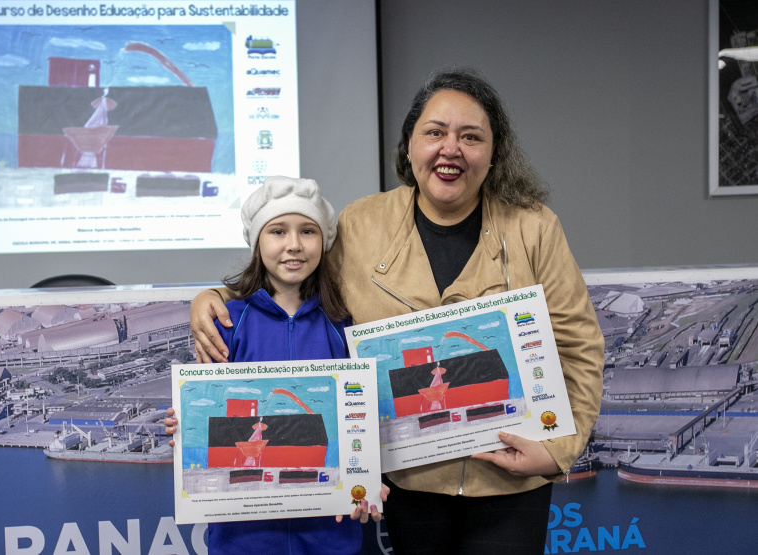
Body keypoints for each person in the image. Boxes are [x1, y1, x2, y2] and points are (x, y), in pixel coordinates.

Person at [189, 68, 604, 554]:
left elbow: (578, 346)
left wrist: (556, 452)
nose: (451, 149)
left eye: (471, 137)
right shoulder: (362, 223)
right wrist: (214, 297)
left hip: (510, 480)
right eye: (435, 133)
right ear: (409, 146)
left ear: (494, 155)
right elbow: (294, 274)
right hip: (411, 481)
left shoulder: (535, 227)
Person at [166, 175, 387, 555]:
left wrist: (367, 476)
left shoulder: (344, 325)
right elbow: (205, 407)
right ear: (257, 243)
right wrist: (183, 424)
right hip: (244, 536)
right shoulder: (227, 322)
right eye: (277, 231)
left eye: (307, 231)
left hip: (328, 534)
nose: (294, 245)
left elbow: (363, 417)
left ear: (324, 242)